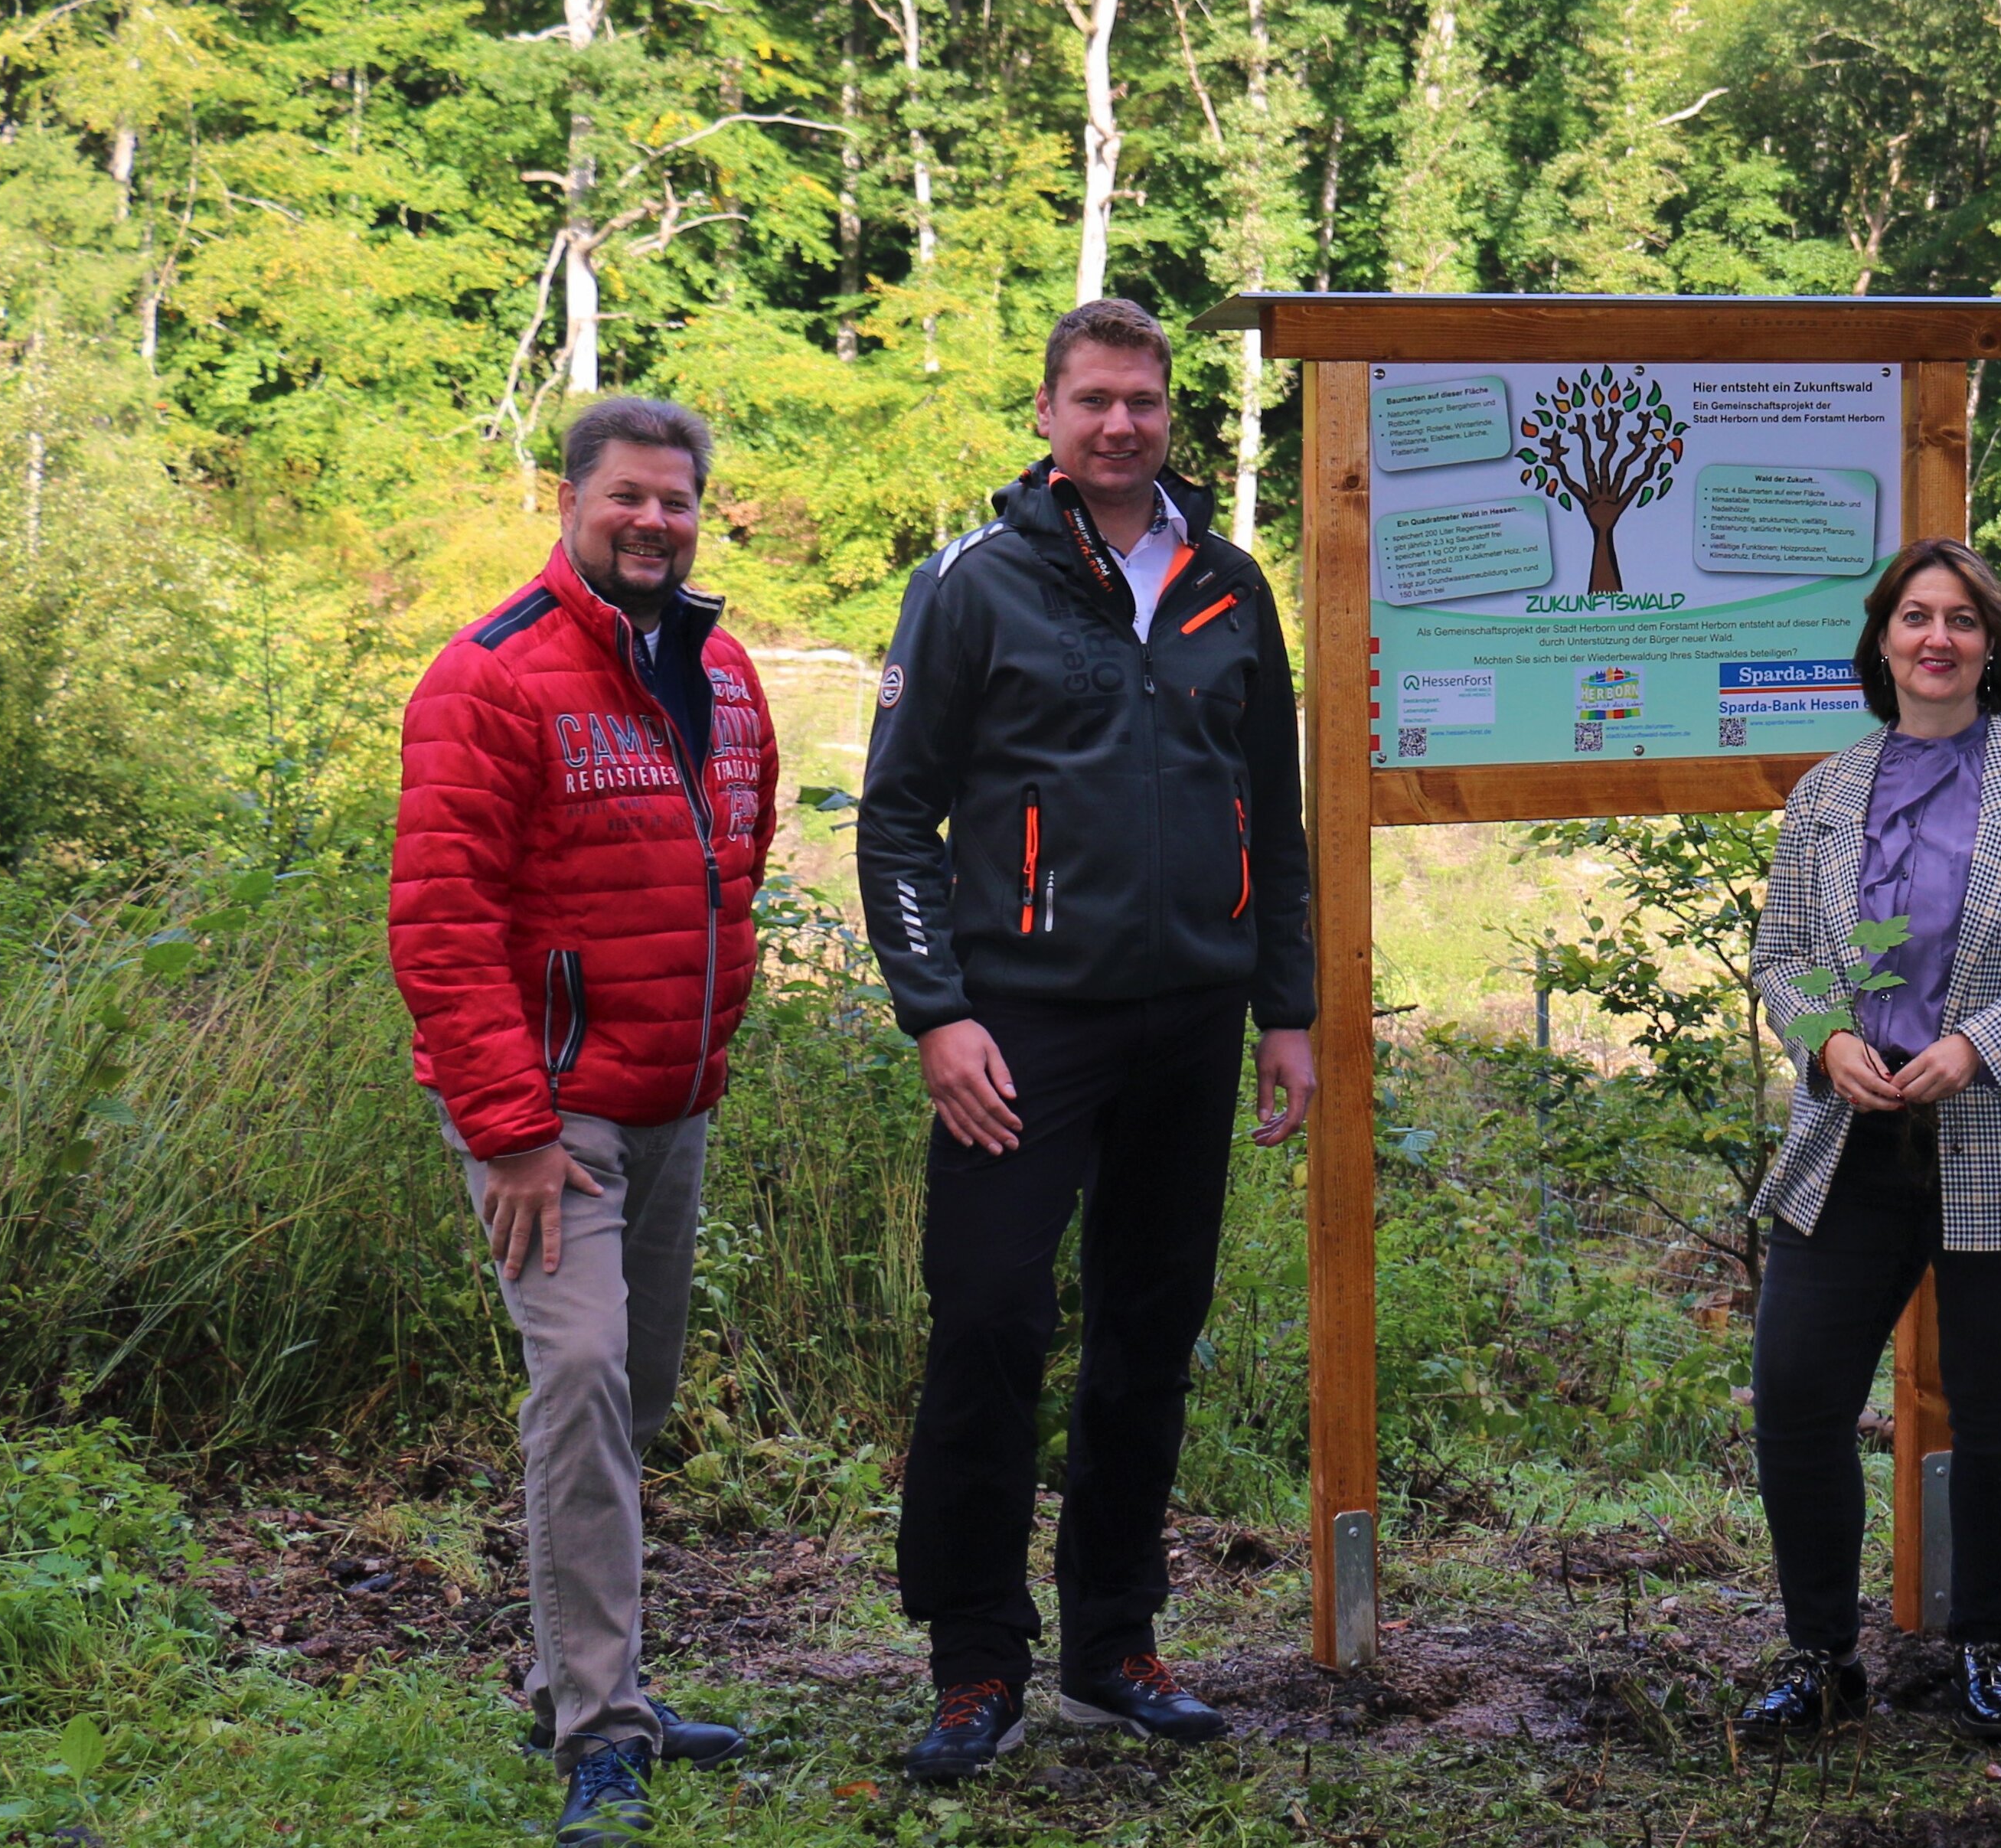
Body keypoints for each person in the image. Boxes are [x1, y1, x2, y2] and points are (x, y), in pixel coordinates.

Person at [857, 298, 1317, 1783]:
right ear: (1047, 412)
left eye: (1143, 400)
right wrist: (936, 1015)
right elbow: (895, 818)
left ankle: (1115, 1637)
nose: (1120, 423)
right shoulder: (973, 586)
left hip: (1189, 1017)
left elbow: (1278, 823)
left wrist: (1285, 1014)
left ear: (1170, 413)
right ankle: (974, 1659)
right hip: (1019, 1029)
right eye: (1093, 398)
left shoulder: (1230, 588)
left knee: (1148, 1332)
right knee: (989, 1318)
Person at [390, 396, 775, 1848]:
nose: (654, 522)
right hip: (547, 1121)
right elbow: (438, 927)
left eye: (676, 501)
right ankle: (601, 1727)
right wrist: (510, 1126)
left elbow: (738, 857)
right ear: (570, 500)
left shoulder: (726, 673)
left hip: (671, 1103)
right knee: (587, 1382)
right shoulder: (489, 679)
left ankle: (571, 1665)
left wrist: (708, 1044)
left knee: (639, 1395)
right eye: (628, 496)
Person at [1738, 539, 2001, 1742]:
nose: (1937, 639)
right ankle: (1821, 1655)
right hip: (1855, 1138)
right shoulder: (1827, 791)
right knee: (1797, 1393)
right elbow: (1783, 955)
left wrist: (1981, 1044)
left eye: (1963, 619)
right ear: (1883, 641)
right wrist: (1822, 1036)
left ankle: (1984, 1649)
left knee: (2000, 1401)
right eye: (1915, 616)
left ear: (1993, 647)